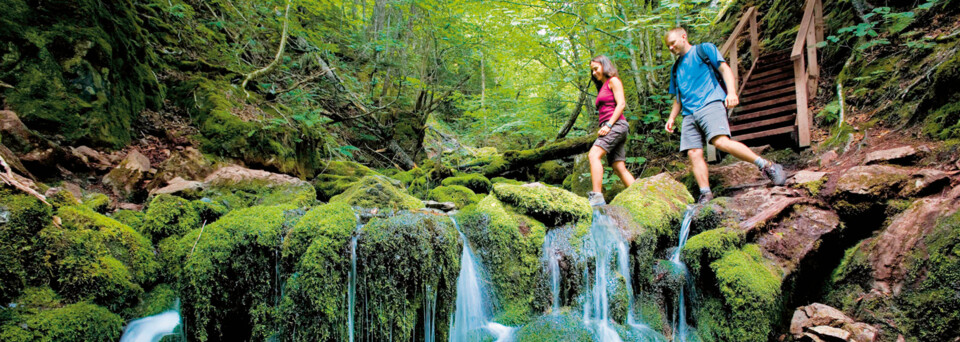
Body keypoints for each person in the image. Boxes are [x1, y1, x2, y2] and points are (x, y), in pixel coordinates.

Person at [663, 27, 785, 204]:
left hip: (710, 103)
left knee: (720, 142)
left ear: (683, 37)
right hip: (689, 114)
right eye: (668, 46)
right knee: (693, 153)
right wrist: (672, 118)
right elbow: (678, 98)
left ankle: (767, 166)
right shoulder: (675, 69)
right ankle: (705, 193)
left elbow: (725, 69)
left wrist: (732, 93)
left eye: (672, 44)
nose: (671, 48)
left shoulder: (703, 50)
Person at [586, 55, 636, 206]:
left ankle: (597, 197)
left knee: (594, 155)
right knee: (618, 166)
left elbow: (621, 104)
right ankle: (640, 194)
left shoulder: (613, 81)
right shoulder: (602, 87)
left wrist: (608, 125)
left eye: (596, 69)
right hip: (613, 126)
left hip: (616, 125)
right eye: (592, 71)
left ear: (604, 66)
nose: (594, 73)